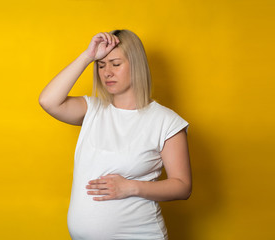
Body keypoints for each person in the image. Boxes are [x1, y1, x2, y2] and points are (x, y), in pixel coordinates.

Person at [39, 30, 192, 240]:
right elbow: (48, 101)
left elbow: (182, 186)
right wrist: (88, 56)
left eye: (115, 64)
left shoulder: (165, 121)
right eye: (101, 65)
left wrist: (130, 187)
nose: (106, 72)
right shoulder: (92, 109)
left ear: (136, 65)